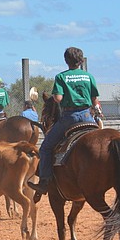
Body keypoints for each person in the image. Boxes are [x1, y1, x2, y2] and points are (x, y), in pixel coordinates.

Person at [28, 47, 102, 195]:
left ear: (66, 61)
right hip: (88, 116)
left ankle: (44, 182)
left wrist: (56, 97)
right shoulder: (89, 77)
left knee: (46, 148)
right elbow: (95, 100)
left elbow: (59, 99)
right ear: (81, 60)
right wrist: (98, 111)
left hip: (70, 118)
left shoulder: (61, 77)